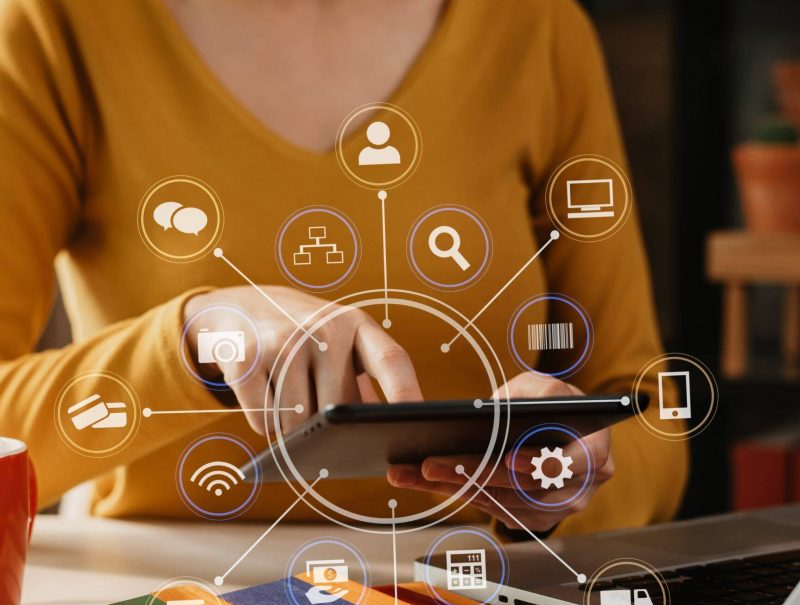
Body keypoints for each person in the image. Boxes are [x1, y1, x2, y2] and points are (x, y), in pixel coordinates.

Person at [0, 0, 687, 536]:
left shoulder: (539, 31)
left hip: (482, 594)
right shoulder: (56, 27)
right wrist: (190, 339)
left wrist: (567, 481)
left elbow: (650, 410)